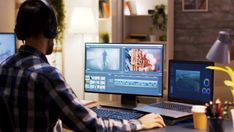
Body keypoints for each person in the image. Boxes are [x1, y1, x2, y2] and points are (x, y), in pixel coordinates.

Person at [0, 0, 165, 131]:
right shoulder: (47, 75)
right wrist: (139, 123)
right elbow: (90, 125)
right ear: (50, 29)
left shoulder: (4, 67)